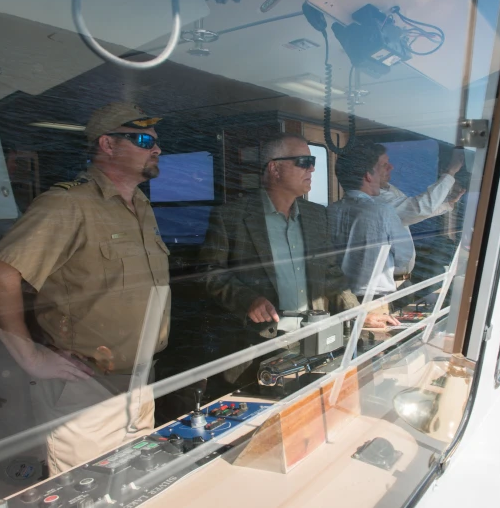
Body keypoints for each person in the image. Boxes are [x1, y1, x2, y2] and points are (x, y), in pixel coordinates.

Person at [0, 102, 170, 475]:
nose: (156, 149)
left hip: (140, 381)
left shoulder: (139, 205)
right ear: (108, 145)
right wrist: (30, 357)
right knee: (87, 490)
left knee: (135, 486)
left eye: (156, 142)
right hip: (87, 385)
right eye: (144, 140)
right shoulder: (68, 204)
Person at [199, 133, 397, 386]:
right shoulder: (232, 216)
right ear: (275, 168)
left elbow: (330, 274)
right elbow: (211, 271)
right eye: (304, 161)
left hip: (313, 340)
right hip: (256, 346)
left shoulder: (316, 216)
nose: (312, 168)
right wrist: (247, 300)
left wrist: (359, 314)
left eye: (312, 161)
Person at [327, 141, 416, 310]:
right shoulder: (383, 211)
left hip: (339, 297)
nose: (389, 169)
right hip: (375, 299)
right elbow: (404, 256)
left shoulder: (329, 211)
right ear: (368, 175)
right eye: (382, 166)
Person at [375, 146, 466, 227]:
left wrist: (447, 203)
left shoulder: (386, 188)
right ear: (369, 173)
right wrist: (450, 172)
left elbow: (413, 211)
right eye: (384, 165)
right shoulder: (375, 199)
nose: (391, 167)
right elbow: (418, 209)